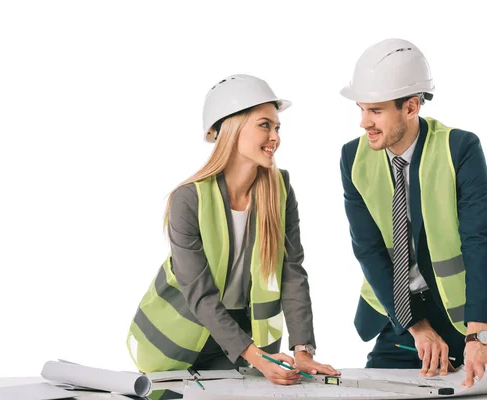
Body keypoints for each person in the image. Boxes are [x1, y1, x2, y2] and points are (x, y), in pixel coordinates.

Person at [127, 74, 339, 385]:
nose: (275, 137)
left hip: (243, 340)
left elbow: (292, 271)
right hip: (179, 341)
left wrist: (303, 350)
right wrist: (256, 356)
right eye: (264, 125)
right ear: (231, 129)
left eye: (277, 127)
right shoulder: (189, 199)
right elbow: (199, 294)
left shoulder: (280, 190)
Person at [338, 39, 487, 387]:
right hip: (402, 314)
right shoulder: (353, 158)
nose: (364, 123)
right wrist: (416, 327)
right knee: (375, 388)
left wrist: (478, 337)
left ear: (410, 107)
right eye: (361, 109)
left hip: (464, 319)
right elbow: (369, 250)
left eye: (375, 111)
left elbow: (480, 241)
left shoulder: (460, 149)